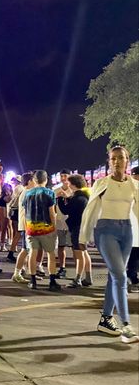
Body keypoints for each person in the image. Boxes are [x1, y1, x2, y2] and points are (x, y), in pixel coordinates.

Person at [79, 146, 139, 342]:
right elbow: (89, 211)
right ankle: (126, 325)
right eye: (113, 159)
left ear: (127, 161)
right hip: (105, 231)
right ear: (109, 161)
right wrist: (83, 238)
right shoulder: (101, 183)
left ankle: (106, 319)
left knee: (115, 276)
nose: (116, 162)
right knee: (120, 276)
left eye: (120, 158)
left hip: (126, 231)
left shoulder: (133, 185)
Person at [23, 170, 61, 291]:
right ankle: (52, 281)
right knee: (50, 254)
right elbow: (52, 213)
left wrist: (26, 228)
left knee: (32, 254)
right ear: (46, 180)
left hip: (31, 227)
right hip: (46, 227)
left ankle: (33, 280)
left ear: (34, 180)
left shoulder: (27, 194)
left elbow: (25, 213)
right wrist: (54, 227)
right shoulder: (49, 193)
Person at [57, 174, 92, 288]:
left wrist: (60, 199)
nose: (68, 184)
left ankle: (78, 279)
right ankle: (88, 277)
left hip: (77, 228)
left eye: (69, 183)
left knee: (79, 254)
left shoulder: (77, 198)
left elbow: (66, 210)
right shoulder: (85, 196)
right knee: (84, 252)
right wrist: (67, 198)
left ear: (73, 184)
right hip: (83, 227)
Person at [11, 172, 35, 283]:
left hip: (27, 225)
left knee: (27, 250)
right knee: (25, 250)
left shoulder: (26, 192)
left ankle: (24, 271)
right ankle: (17, 274)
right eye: (34, 180)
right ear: (29, 181)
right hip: (27, 225)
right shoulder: (27, 193)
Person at [54, 169, 73, 278]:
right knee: (61, 246)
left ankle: (79, 271)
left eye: (65, 176)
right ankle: (62, 267)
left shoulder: (73, 190)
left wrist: (67, 196)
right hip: (59, 222)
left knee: (74, 247)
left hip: (71, 222)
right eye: (61, 176)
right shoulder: (56, 190)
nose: (63, 178)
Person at [126, 165, 139, 293]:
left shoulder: (128, 189)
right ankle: (132, 279)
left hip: (129, 228)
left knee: (132, 256)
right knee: (134, 255)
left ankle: (131, 278)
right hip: (131, 228)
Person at [6, 175, 23, 262]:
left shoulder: (17, 188)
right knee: (19, 232)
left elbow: (12, 199)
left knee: (17, 232)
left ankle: (12, 251)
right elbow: (14, 199)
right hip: (18, 210)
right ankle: (11, 252)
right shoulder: (20, 188)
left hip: (14, 210)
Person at [0, 180, 12, 251]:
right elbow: (8, 201)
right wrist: (10, 195)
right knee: (4, 228)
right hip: (3, 210)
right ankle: (2, 246)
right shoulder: (6, 194)